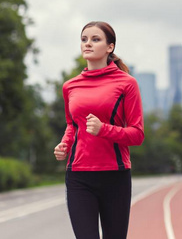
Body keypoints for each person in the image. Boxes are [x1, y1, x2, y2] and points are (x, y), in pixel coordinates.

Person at [54, 21, 144, 239]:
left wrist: (104, 129)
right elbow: (72, 125)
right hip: (79, 176)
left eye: (95, 39)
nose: (88, 44)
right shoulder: (70, 86)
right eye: (84, 39)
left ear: (110, 47)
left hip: (115, 176)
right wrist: (64, 144)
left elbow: (137, 134)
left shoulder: (126, 83)